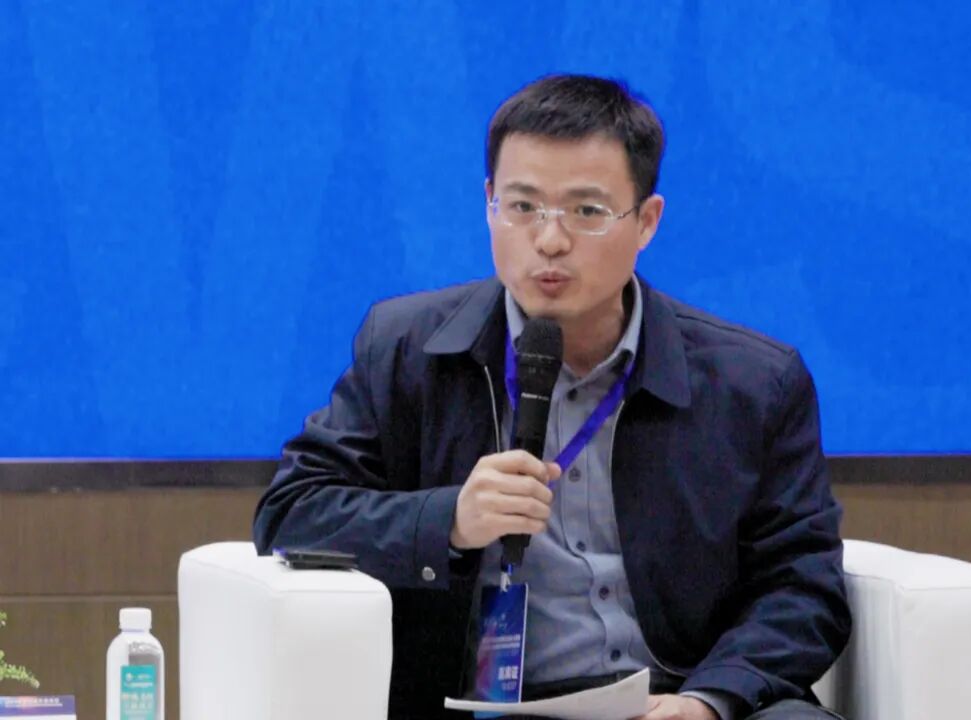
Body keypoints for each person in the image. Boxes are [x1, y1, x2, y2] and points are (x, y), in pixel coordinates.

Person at [253, 74, 850, 720]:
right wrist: (450, 520)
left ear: (646, 221)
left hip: (680, 698)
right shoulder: (407, 350)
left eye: (586, 212)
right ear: (488, 204)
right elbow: (292, 511)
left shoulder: (755, 383)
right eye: (523, 206)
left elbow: (802, 588)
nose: (549, 240)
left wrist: (710, 699)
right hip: (493, 709)